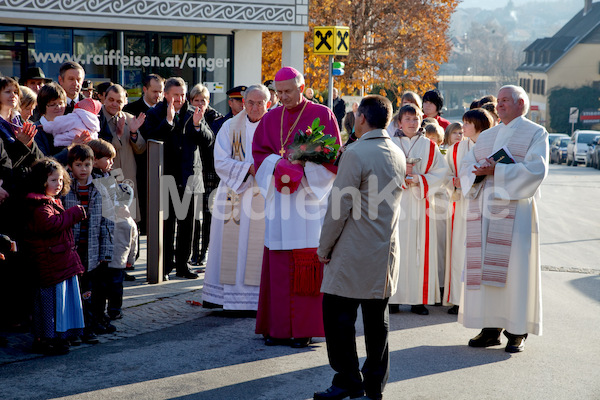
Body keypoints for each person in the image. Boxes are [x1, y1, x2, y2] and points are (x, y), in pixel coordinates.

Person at [315, 95, 406, 400]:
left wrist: (324, 247)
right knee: (376, 321)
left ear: (362, 118)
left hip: (354, 249)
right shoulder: (396, 151)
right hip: (384, 247)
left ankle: (347, 379)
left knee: (337, 316)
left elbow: (339, 207)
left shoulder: (356, 153)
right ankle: (375, 383)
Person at [252, 66, 341, 348]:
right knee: (278, 265)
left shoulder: (322, 114)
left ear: (301, 88)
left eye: (288, 91)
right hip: (280, 203)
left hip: (307, 202)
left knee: (306, 268)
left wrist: (303, 165)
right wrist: (278, 164)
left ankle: (303, 329)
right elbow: (259, 154)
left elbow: (333, 157)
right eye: (278, 92)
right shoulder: (270, 117)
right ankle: (277, 328)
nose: (283, 97)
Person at [458, 85, 548, 353]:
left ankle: (516, 331)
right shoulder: (488, 136)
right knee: (487, 268)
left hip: (516, 213)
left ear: (522, 104)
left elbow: (536, 169)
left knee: (515, 271)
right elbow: (466, 165)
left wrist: (498, 170)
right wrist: (478, 171)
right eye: (499, 100)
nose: (500, 105)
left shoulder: (535, 133)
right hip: (485, 211)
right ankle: (490, 328)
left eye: (506, 100)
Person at [202, 84, 271, 311]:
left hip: (263, 195)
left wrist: (262, 170)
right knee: (230, 245)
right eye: (249, 102)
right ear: (243, 102)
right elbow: (220, 161)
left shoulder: (274, 127)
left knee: (257, 247)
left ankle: (255, 300)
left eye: (259, 102)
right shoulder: (230, 126)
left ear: (267, 104)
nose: (253, 107)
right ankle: (225, 298)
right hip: (234, 192)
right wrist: (248, 169)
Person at [141, 77, 214, 280]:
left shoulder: (194, 113)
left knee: (188, 225)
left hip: (190, 177)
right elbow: (150, 138)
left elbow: (209, 141)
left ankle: (183, 266)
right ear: (166, 94)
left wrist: (199, 126)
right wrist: (169, 122)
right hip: (166, 177)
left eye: (183, 94)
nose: (181, 98)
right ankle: (164, 267)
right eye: (176, 95)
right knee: (166, 224)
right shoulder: (155, 113)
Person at [388, 104, 448, 315]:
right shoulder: (390, 143)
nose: (412, 123)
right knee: (394, 250)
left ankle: (418, 300)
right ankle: (393, 299)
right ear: (399, 122)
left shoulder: (429, 146)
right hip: (396, 204)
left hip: (421, 203)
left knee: (420, 251)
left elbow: (442, 172)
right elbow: (381, 172)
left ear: (421, 120)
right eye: (408, 119)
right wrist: (401, 180)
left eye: (416, 119)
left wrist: (419, 180)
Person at [24, 158, 86, 355]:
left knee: (58, 304)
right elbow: (50, 225)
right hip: (50, 265)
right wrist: (74, 214)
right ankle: (47, 340)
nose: (58, 184)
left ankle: (59, 337)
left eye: (60, 180)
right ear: (42, 181)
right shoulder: (39, 205)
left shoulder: (51, 202)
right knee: (50, 306)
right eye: (53, 180)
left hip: (59, 263)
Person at [444, 109, 493, 315]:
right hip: (461, 205)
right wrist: (453, 183)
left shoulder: (492, 145)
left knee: (480, 253)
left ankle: (479, 301)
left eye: (467, 123)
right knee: (458, 252)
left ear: (479, 125)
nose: (462, 127)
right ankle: (457, 298)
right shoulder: (456, 149)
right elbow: (444, 173)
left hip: (485, 206)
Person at [63, 144, 114, 338]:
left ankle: (93, 322)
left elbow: (108, 221)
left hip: (94, 247)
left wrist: (106, 250)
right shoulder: (66, 189)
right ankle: (79, 326)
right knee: (78, 288)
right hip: (73, 248)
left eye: (87, 164)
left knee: (94, 289)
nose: (83, 169)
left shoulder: (101, 187)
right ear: (70, 166)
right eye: (78, 165)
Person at [88, 138, 138, 321]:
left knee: (111, 282)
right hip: (100, 241)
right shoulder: (94, 180)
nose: (111, 163)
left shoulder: (108, 179)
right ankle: (99, 313)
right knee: (101, 283)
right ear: (95, 159)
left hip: (112, 243)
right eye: (108, 159)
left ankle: (111, 311)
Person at [98, 84, 146, 224]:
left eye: (119, 101)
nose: (114, 104)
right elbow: (99, 151)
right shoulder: (96, 119)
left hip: (127, 180)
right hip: (106, 179)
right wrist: (117, 136)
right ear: (104, 99)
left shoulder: (130, 119)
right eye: (111, 99)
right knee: (108, 223)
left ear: (125, 102)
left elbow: (141, 148)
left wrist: (133, 133)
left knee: (128, 224)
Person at [189, 83, 219, 266]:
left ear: (208, 102)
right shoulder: (186, 116)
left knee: (209, 214)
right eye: (196, 100)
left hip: (210, 171)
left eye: (203, 100)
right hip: (193, 170)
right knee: (193, 214)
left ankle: (205, 251)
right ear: (190, 100)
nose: (199, 104)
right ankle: (193, 252)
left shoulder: (216, 119)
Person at [34, 82, 92, 165]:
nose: (58, 108)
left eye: (61, 103)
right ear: (43, 106)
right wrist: (71, 148)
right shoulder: (36, 130)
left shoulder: (72, 125)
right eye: (53, 104)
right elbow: (44, 163)